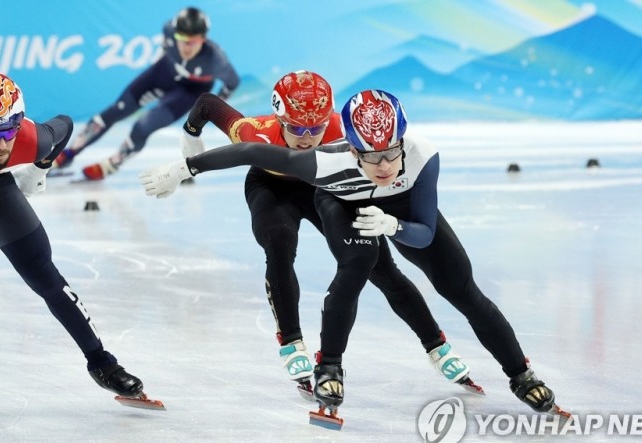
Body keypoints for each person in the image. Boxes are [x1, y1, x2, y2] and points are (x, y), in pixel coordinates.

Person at [139, 89, 567, 419]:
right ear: (350, 147)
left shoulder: (421, 155)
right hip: (343, 203)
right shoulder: (323, 163)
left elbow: (424, 232)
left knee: (461, 288)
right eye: (369, 157)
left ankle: (521, 374)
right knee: (358, 267)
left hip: (401, 213)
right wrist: (182, 168)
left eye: (390, 154)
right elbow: (249, 151)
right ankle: (330, 367)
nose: (383, 166)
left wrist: (394, 225)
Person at [175, 71, 482, 402]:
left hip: (328, 189)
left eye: (316, 128)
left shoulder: (345, 129)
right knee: (278, 244)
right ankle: (291, 343)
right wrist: (190, 136)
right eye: (296, 129)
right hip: (272, 188)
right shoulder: (255, 132)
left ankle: (436, 345)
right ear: (279, 119)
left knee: (380, 266)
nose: (307, 138)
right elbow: (206, 103)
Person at [0, 72, 160, 423]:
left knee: (44, 274)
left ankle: (102, 363)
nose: (3, 144)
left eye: (10, 130)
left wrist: (40, 167)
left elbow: (65, 125)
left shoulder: (30, 139)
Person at [51, 6, 240, 181]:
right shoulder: (168, 31)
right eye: (181, 39)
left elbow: (232, 83)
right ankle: (68, 154)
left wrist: (209, 110)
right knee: (115, 111)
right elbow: (166, 46)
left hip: (189, 91)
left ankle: (114, 162)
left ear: (203, 39)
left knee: (142, 127)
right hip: (164, 73)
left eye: (192, 41)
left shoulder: (216, 60)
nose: (185, 47)